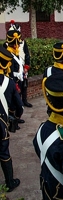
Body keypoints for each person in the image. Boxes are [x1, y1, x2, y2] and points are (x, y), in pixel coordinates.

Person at [0, 46, 24, 192]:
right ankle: (10, 182)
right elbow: (19, 106)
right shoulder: (8, 82)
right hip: (1, 124)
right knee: (3, 152)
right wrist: (15, 117)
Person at [8, 21, 32, 107]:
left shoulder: (23, 42)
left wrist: (26, 66)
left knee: (24, 85)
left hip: (22, 66)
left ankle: (24, 100)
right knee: (16, 87)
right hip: (14, 70)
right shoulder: (6, 46)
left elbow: (27, 54)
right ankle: (18, 104)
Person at [5, 29, 25, 126]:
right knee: (13, 103)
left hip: (19, 80)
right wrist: (15, 81)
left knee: (18, 101)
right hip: (13, 82)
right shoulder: (8, 54)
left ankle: (16, 120)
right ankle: (13, 122)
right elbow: (9, 71)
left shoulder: (15, 52)